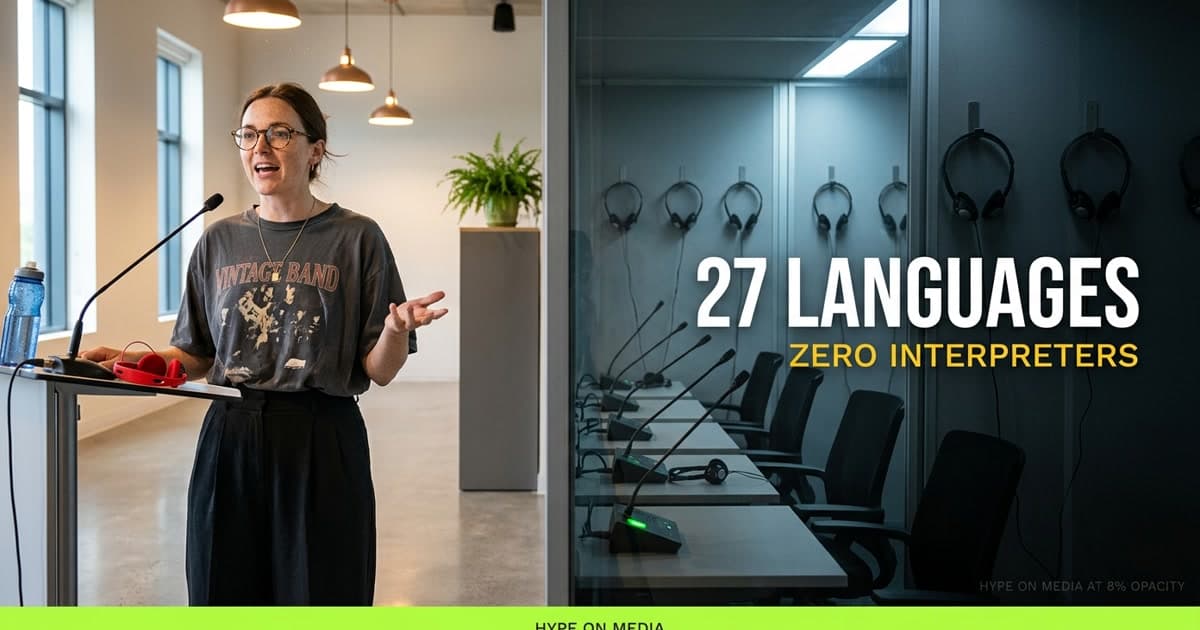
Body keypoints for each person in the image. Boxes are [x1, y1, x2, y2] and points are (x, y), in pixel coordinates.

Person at [82, 82, 447, 605]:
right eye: (249, 135)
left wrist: (393, 330)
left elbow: (380, 369)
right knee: (220, 591)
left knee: (322, 593)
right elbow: (195, 353)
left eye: (279, 133)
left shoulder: (357, 237)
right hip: (229, 434)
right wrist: (129, 359)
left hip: (322, 439)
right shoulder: (218, 240)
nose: (261, 148)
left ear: (315, 149)